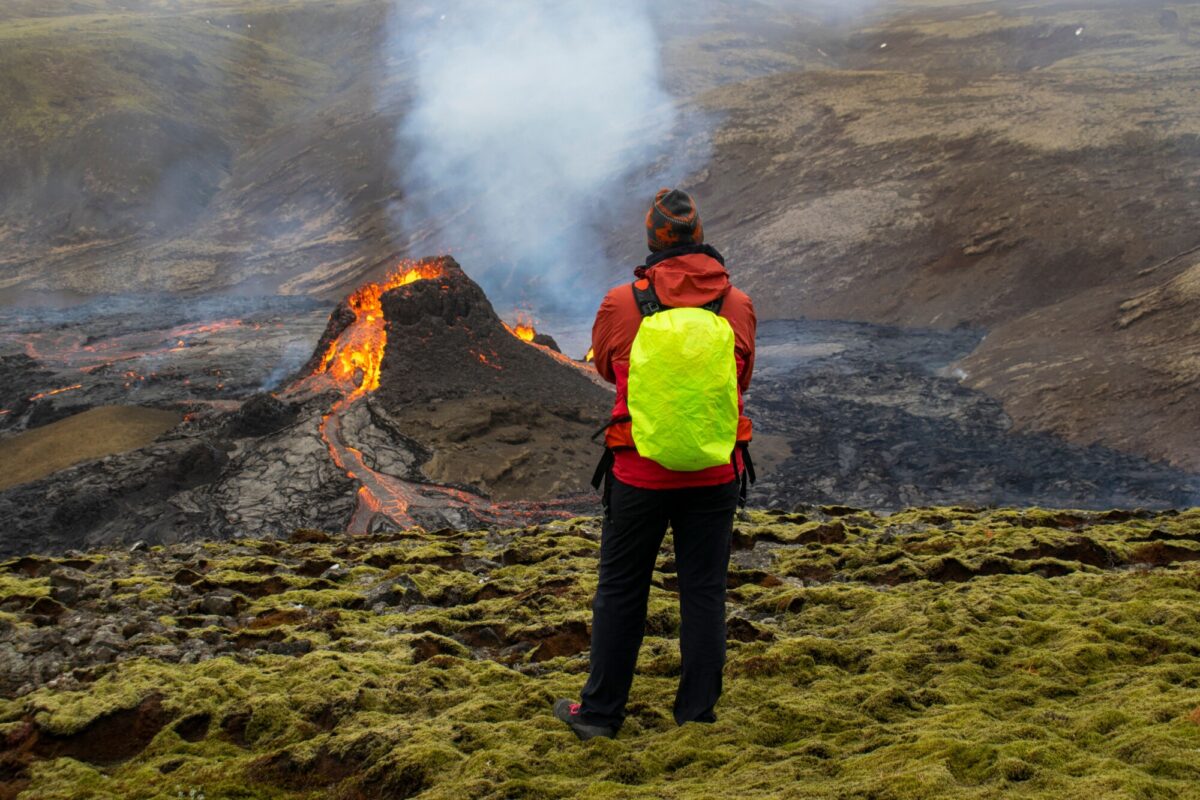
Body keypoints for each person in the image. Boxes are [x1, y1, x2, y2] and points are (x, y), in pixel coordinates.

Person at [554, 188, 756, 740]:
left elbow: (603, 369)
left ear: (651, 241)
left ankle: (599, 715)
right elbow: (739, 382)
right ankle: (697, 716)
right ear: (700, 237)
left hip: (638, 473)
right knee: (704, 591)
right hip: (714, 472)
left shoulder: (622, 302)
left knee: (622, 588)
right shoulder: (735, 304)